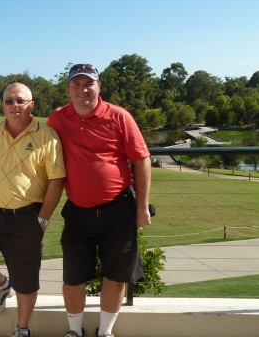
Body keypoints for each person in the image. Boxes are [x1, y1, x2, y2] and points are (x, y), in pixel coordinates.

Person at [47, 64, 152, 337]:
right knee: (72, 277)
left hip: (118, 210)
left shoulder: (119, 116)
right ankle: (74, 331)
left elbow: (141, 160)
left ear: (98, 86)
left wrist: (141, 207)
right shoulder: (57, 119)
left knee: (116, 276)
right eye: (76, 84)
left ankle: (104, 331)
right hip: (78, 212)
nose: (83, 90)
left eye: (88, 84)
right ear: (69, 89)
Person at [0, 83, 66, 337]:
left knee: (27, 282)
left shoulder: (46, 135)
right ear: (2, 105)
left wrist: (42, 219)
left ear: (31, 105)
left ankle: (21, 329)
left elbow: (57, 179)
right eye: (9, 101)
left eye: (20, 101)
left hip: (27, 217)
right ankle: (2, 284)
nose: (14, 105)